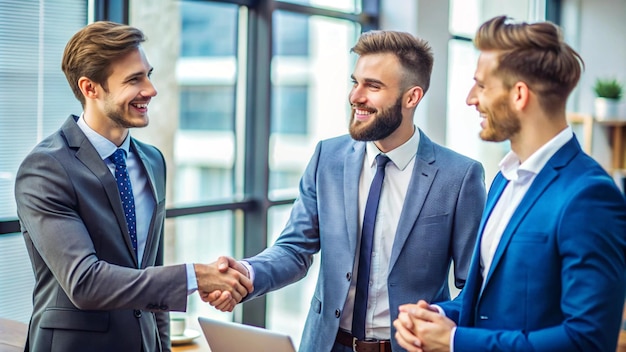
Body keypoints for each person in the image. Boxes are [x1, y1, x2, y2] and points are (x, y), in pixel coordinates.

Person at [208, 30, 486, 352]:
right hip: (327, 345)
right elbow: (295, 249)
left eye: (373, 86)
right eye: (355, 82)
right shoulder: (328, 158)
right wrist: (247, 272)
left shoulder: (459, 176)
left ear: (412, 98)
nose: (356, 96)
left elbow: (473, 286)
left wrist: (437, 320)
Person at [14, 21, 252, 352]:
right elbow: (85, 282)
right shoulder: (46, 169)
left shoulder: (153, 161)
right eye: (134, 79)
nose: (151, 89)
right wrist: (194, 276)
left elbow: (150, 270)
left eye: (148, 74)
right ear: (90, 88)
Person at [393, 15, 626, 352]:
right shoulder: (504, 178)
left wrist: (456, 342)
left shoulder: (590, 196)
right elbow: (486, 305)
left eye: (482, 85)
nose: (471, 98)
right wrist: (436, 316)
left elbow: (587, 340)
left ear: (519, 95)